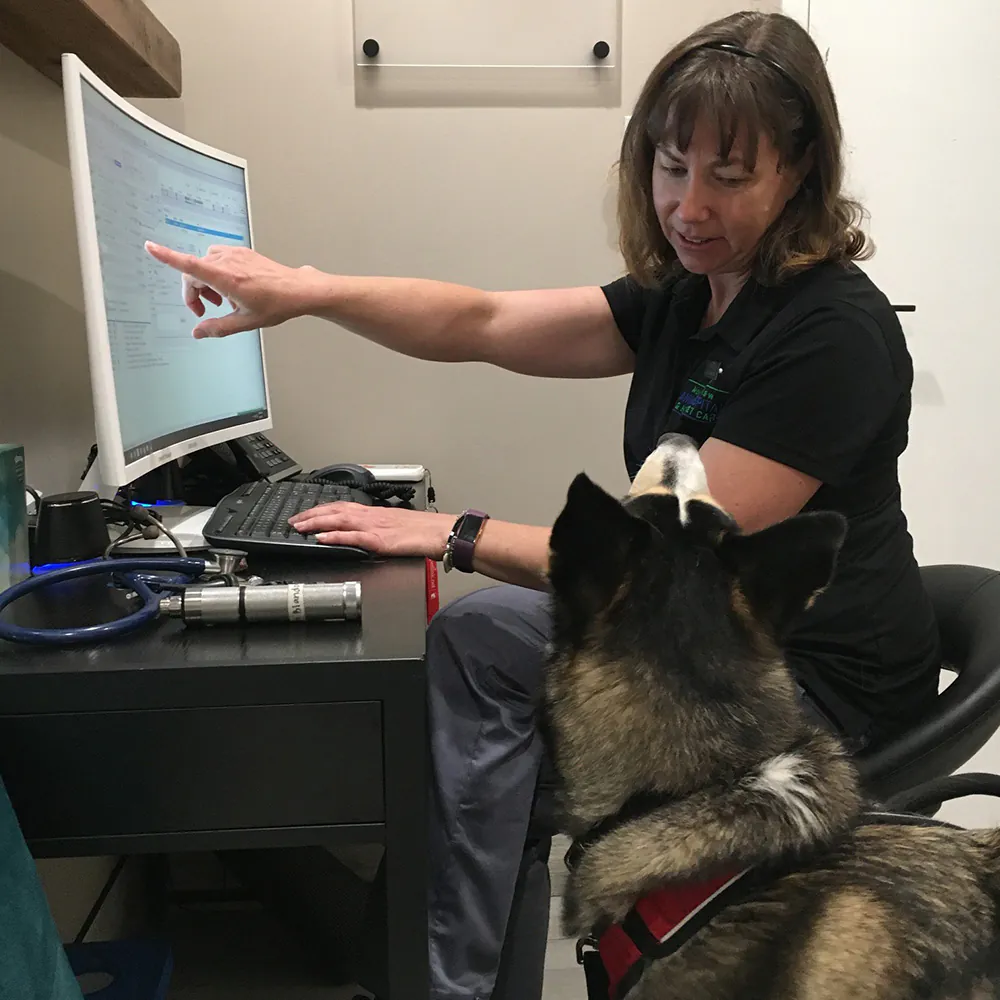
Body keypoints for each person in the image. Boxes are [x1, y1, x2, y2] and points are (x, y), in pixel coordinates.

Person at [145, 9, 941, 999]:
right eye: (669, 165)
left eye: (727, 176)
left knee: (485, 662)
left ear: (799, 172)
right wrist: (310, 290)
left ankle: (447, 981)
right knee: (483, 658)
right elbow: (481, 321)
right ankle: (440, 972)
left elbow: (668, 568)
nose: (687, 204)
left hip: (804, 678)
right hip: (700, 649)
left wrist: (456, 534)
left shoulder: (832, 333)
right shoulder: (689, 297)